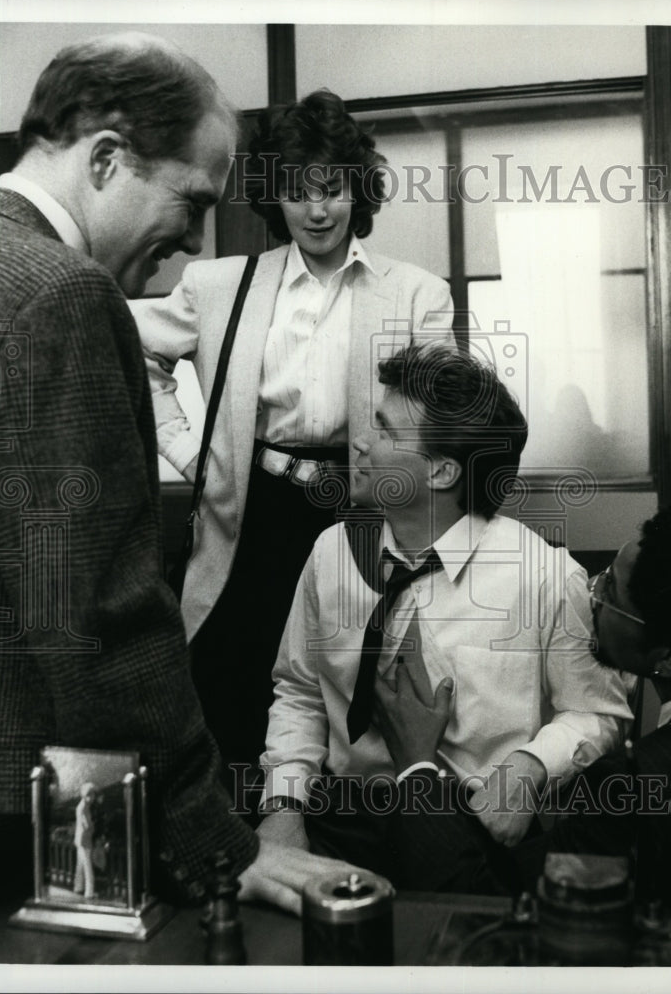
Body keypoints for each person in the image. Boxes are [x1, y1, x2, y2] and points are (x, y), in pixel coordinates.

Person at [0, 32, 357, 916]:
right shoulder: (60, 292)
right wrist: (215, 841)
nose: (192, 239)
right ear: (105, 158)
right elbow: (96, 615)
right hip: (19, 788)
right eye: (189, 199)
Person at [132, 90, 455, 782]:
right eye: (296, 189)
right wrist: (192, 455)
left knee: (347, 696)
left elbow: (445, 418)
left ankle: (331, 850)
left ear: (358, 192)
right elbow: (134, 355)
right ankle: (236, 855)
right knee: (232, 686)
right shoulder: (218, 284)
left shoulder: (416, 293)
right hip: (246, 513)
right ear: (273, 196)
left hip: (361, 513)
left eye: (332, 188)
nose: (316, 210)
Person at [256, 343, 633, 888]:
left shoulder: (544, 576)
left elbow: (598, 714)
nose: (360, 441)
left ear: (441, 471)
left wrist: (529, 768)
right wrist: (284, 808)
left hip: (473, 836)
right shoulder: (333, 552)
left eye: (386, 431)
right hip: (338, 825)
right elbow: (300, 691)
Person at [373, 505, 671, 909]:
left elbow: (480, 899)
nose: (591, 592)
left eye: (610, 592)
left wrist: (416, 766)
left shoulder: (634, 784)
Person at [73, 783, 97, 899]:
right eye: (92, 795)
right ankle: (89, 892)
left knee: (80, 865)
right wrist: (93, 826)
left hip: (79, 839)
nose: (93, 798)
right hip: (85, 840)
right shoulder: (84, 808)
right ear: (87, 795)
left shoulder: (80, 806)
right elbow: (87, 825)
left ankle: (78, 887)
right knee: (88, 866)